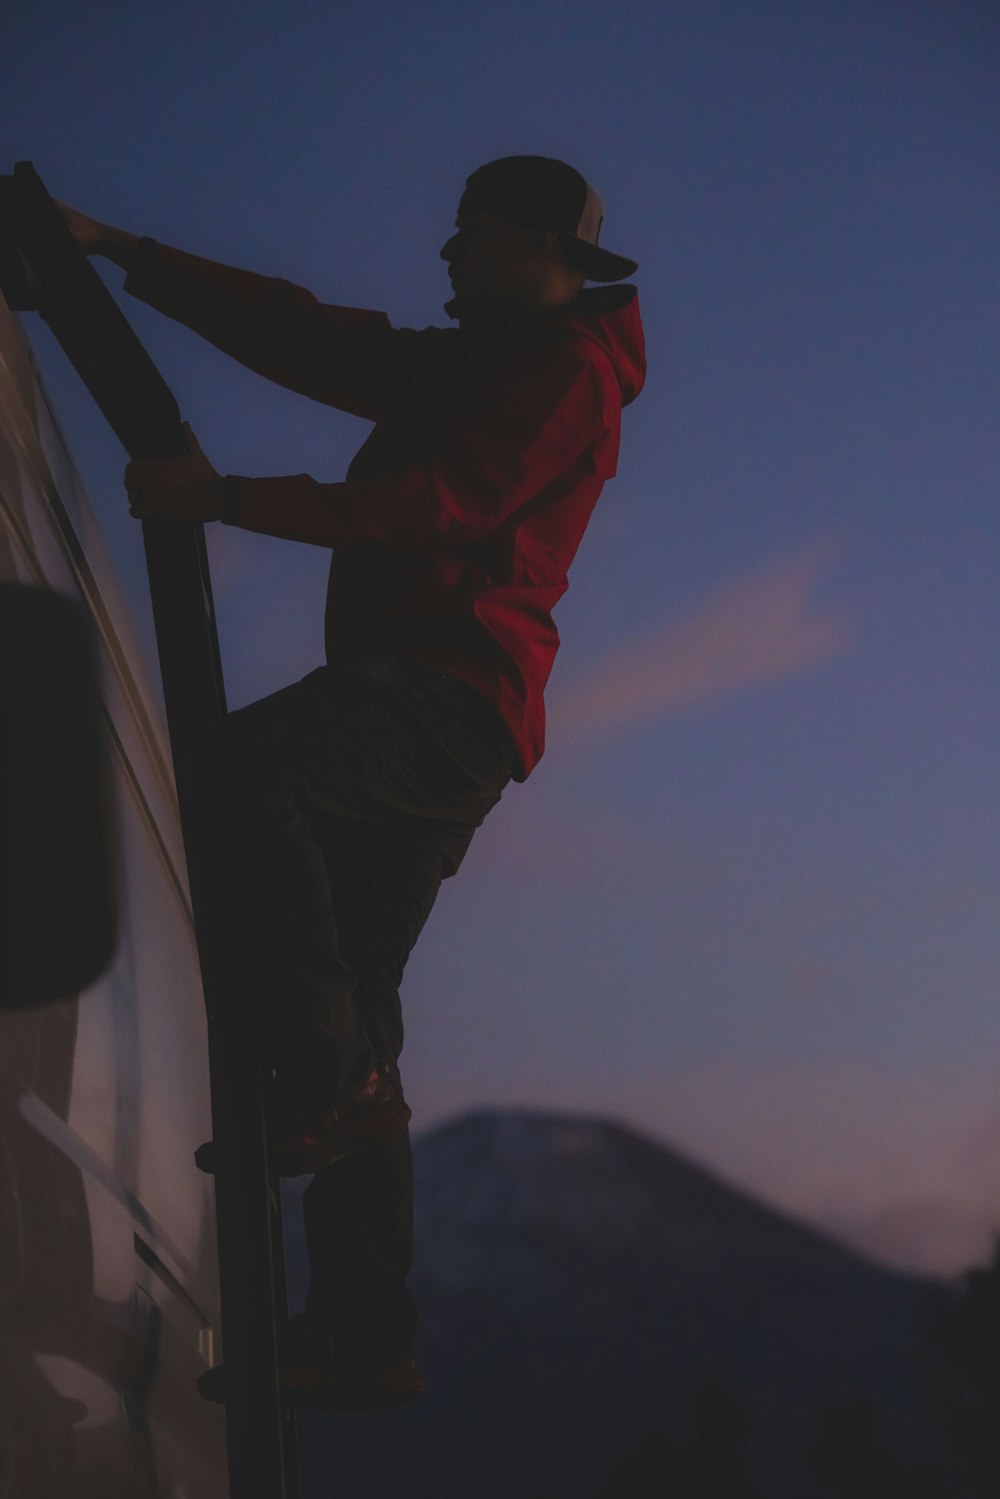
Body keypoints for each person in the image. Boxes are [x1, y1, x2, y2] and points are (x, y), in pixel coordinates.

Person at [58, 155, 646, 1409]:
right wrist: (115, 245)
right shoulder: (462, 361)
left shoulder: (565, 374)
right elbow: (298, 332)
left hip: (445, 698)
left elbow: (440, 505)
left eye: (467, 230)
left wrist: (222, 497)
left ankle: (327, 1088)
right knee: (358, 1005)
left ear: (534, 240)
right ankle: (365, 1325)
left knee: (239, 772)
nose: (442, 251)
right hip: (436, 711)